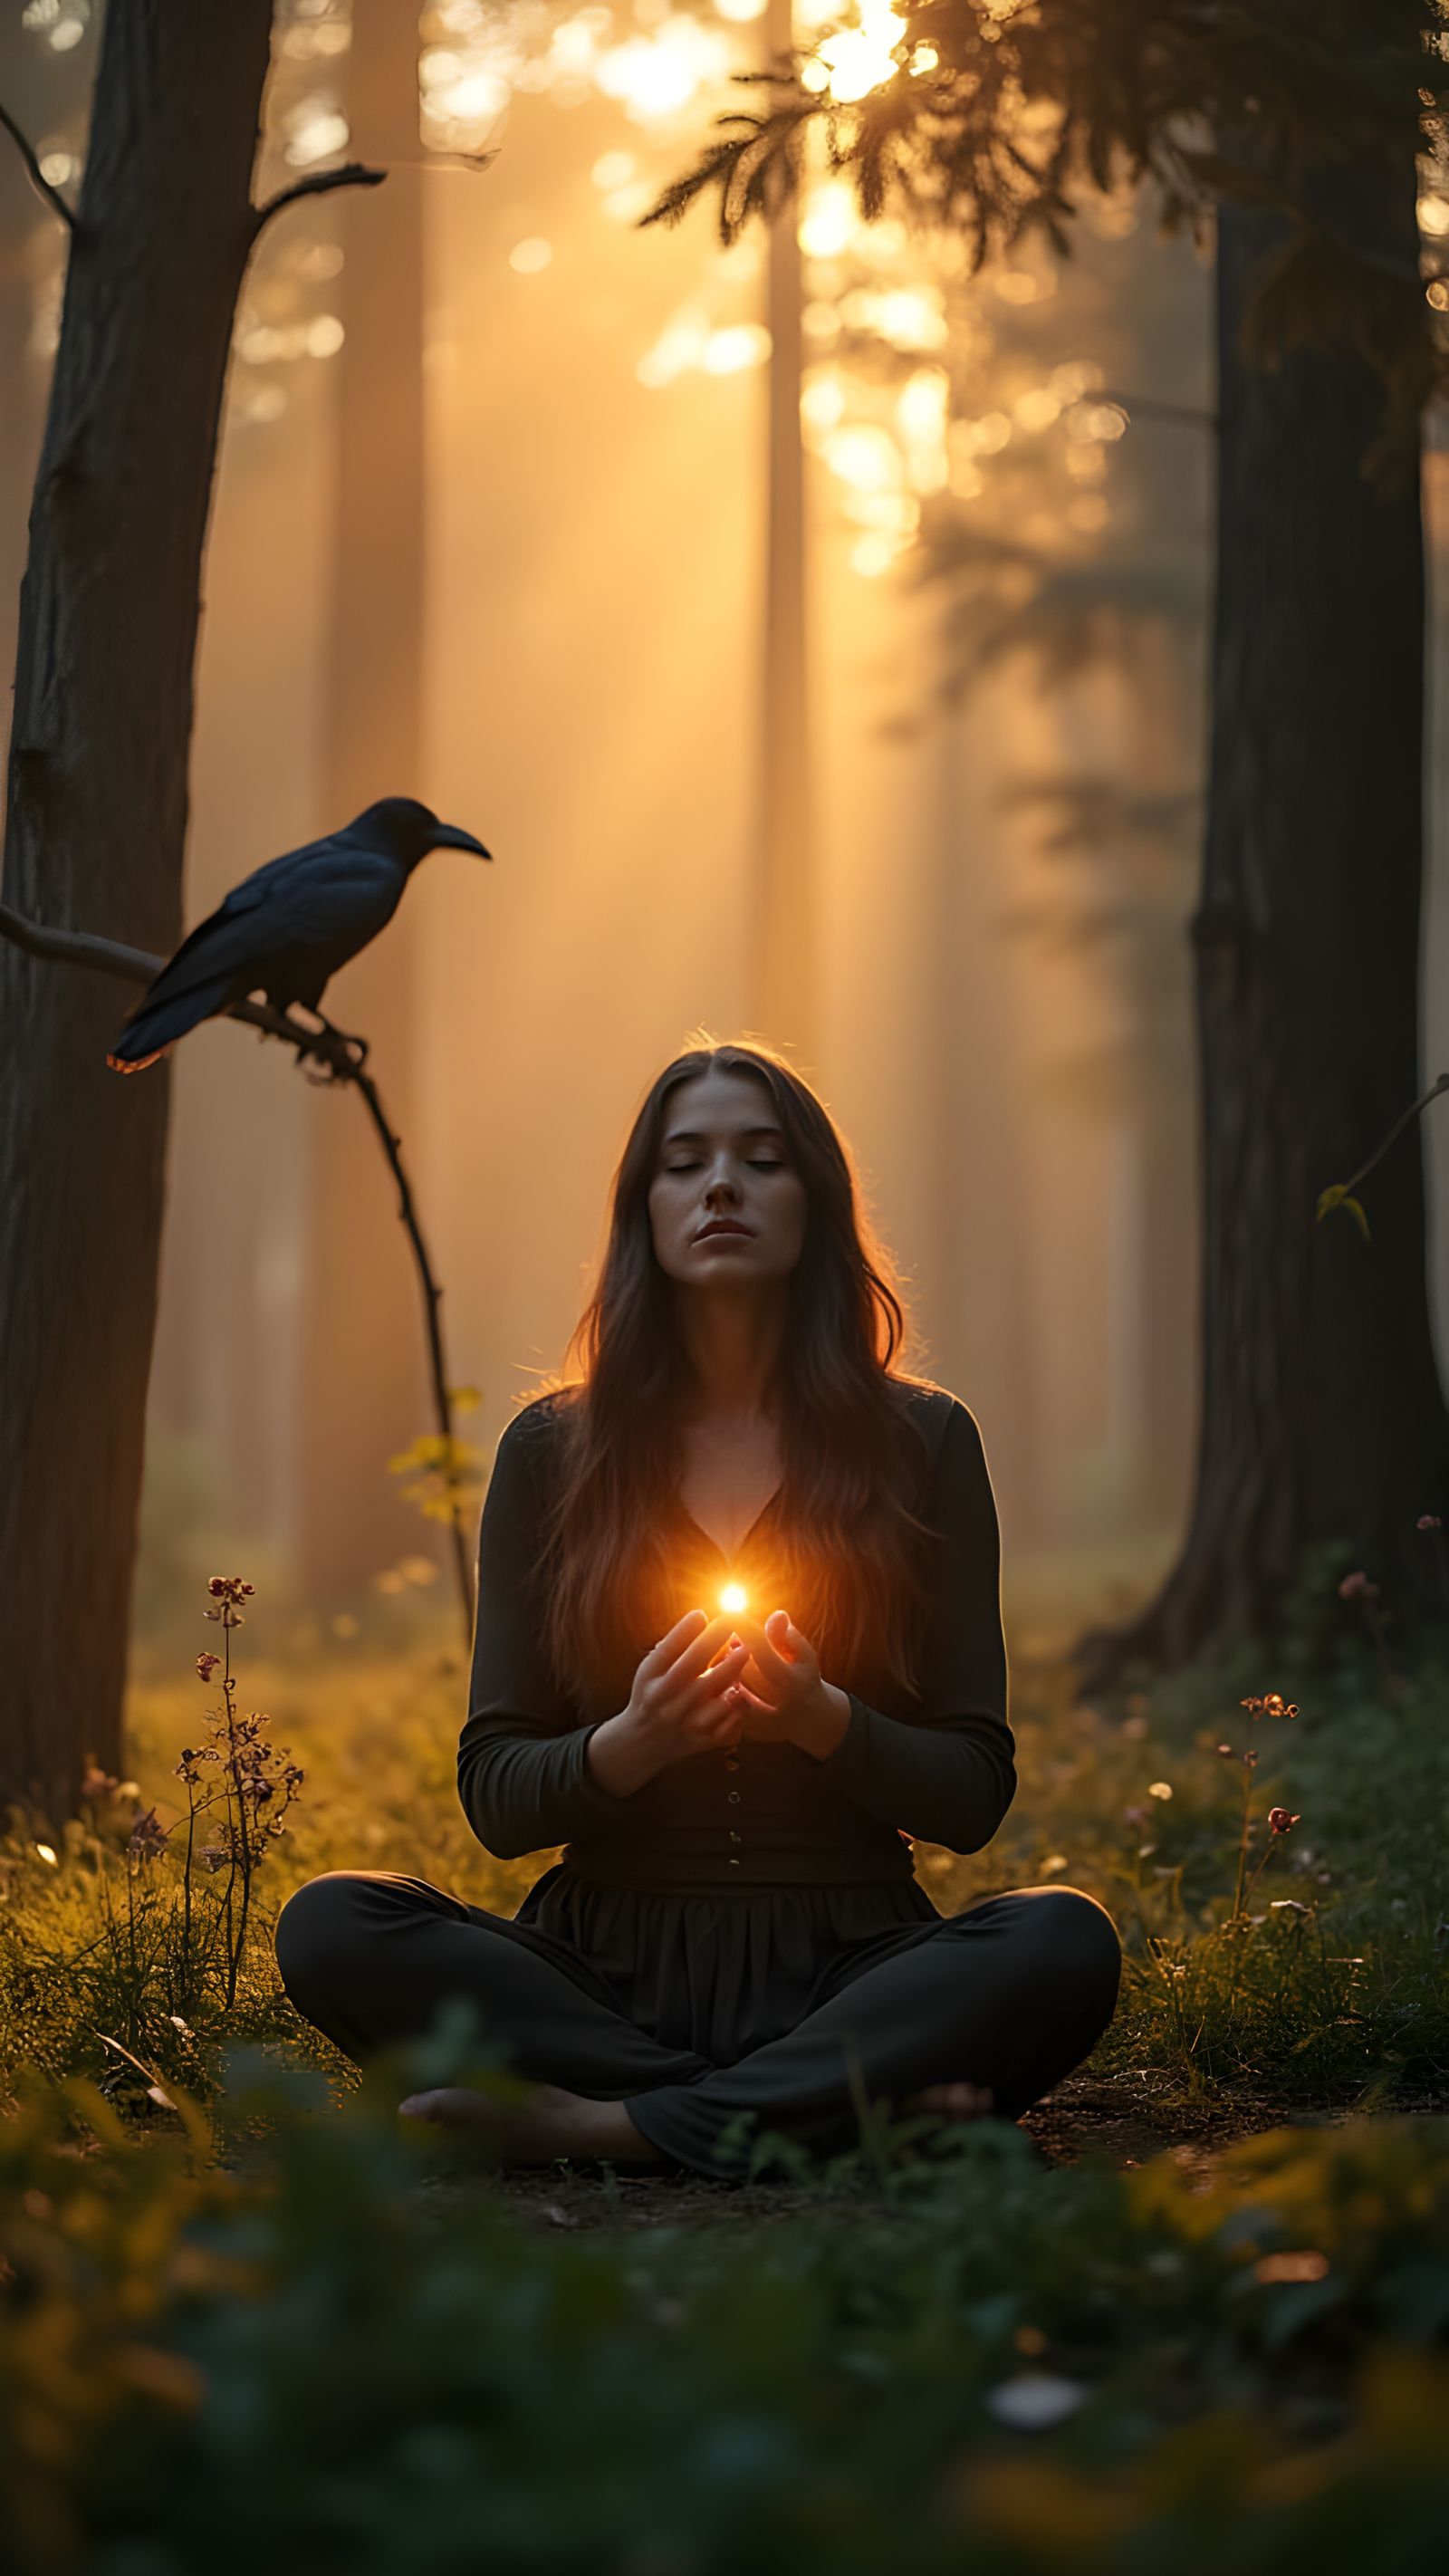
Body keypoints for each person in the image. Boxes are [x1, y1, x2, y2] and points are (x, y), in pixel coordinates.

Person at [274, 1040, 1121, 2177]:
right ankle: (837, 2107)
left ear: (814, 1203)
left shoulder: (924, 1441)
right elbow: (495, 1792)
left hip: (849, 1963)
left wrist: (823, 1720)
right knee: (331, 1922)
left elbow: (973, 1793)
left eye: (761, 1159)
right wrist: (632, 1744)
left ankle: (594, 2125)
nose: (721, 1184)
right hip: (599, 1976)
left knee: (1065, 1939)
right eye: (685, 1162)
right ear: (645, 1209)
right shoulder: (552, 1450)